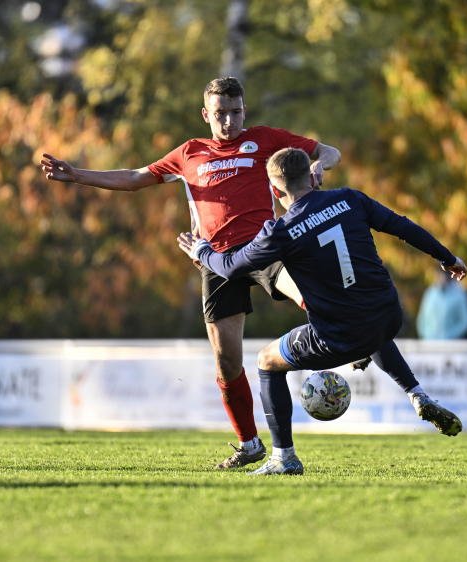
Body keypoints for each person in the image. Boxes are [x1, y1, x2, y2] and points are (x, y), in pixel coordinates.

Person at [41, 77, 342, 470]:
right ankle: (250, 444)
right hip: (216, 261)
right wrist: (78, 175)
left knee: (311, 296)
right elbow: (134, 178)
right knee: (227, 362)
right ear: (206, 115)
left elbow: (329, 151)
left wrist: (318, 164)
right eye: (220, 114)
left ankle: (355, 337)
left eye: (235, 112)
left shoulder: (266, 139)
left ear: (245, 111)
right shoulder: (189, 153)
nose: (229, 121)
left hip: (264, 248)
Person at [178, 147, 467, 475]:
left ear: (275, 191)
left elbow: (230, 268)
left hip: (339, 337)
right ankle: (417, 394)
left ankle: (283, 457)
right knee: (366, 317)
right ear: (313, 178)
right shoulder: (350, 199)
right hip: (389, 318)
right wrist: (446, 258)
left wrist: (202, 251)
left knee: (266, 361)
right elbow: (403, 226)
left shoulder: (280, 231)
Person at [416, 267, 467, 339]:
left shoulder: (460, 294)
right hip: (430, 342)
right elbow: (422, 319)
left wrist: (450, 336)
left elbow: (466, 322)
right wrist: (427, 335)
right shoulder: (430, 293)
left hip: (451, 343)